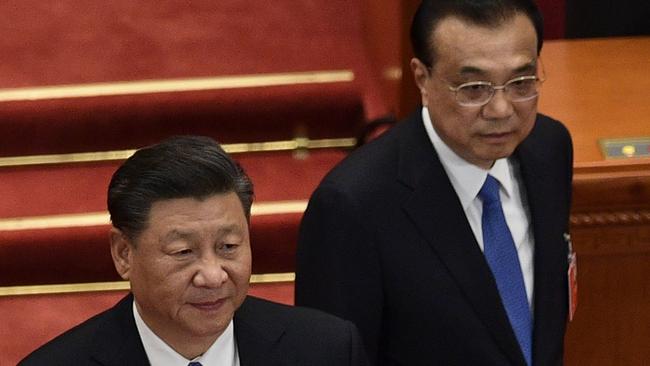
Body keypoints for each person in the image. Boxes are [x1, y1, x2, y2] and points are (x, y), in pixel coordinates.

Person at [295, 0, 573, 365]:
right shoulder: (353, 205)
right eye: (474, 88)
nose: (502, 110)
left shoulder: (549, 149)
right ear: (422, 78)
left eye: (521, 82)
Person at [20, 136, 368, 366]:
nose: (213, 275)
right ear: (124, 253)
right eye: (184, 251)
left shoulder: (327, 351)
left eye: (228, 247)